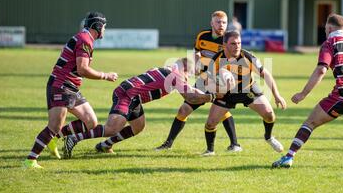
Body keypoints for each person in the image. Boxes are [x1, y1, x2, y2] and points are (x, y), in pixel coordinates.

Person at [272, 14, 343, 169]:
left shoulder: (329, 43)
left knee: (310, 122)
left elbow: (321, 70)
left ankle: (288, 157)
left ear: (329, 28)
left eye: (325, 29)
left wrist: (303, 93)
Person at [61, 58, 219, 157]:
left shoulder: (170, 71)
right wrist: (211, 97)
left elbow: (191, 91)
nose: (189, 77)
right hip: (127, 95)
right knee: (112, 128)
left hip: (132, 96)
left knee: (138, 126)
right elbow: (190, 96)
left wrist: (208, 94)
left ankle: (105, 145)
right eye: (190, 74)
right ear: (185, 69)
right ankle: (74, 138)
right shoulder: (176, 76)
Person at [23, 12, 118, 169]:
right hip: (61, 85)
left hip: (71, 87)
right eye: (104, 27)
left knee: (91, 121)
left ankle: (54, 139)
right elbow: (82, 69)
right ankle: (30, 160)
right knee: (54, 126)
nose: (105, 31)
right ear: (98, 26)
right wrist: (105, 76)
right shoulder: (85, 40)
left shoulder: (85, 38)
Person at [155, 11, 242, 152]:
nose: (221, 25)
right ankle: (168, 143)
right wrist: (194, 65)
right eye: (218, 22)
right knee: (184, 110)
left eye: (224, 22)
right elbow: (196, 52)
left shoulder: (229, 41)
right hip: (203, 80)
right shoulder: (202, 36)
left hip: (220, 82)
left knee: (220, 111)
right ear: (212, 23)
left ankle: (235, 144)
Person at [202, 30, 287, 156]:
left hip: (248, 89)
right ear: (224, 45)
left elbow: (266, 74)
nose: (237, 46)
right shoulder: (216, 60)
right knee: (210, 124)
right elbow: (207, 82)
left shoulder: (247, 56)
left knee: (269, 115)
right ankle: (210, 150)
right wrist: (217, 90)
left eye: (239, 43)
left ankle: (269, 137)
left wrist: (276, 95)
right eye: (233, 44)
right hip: (226, 94)